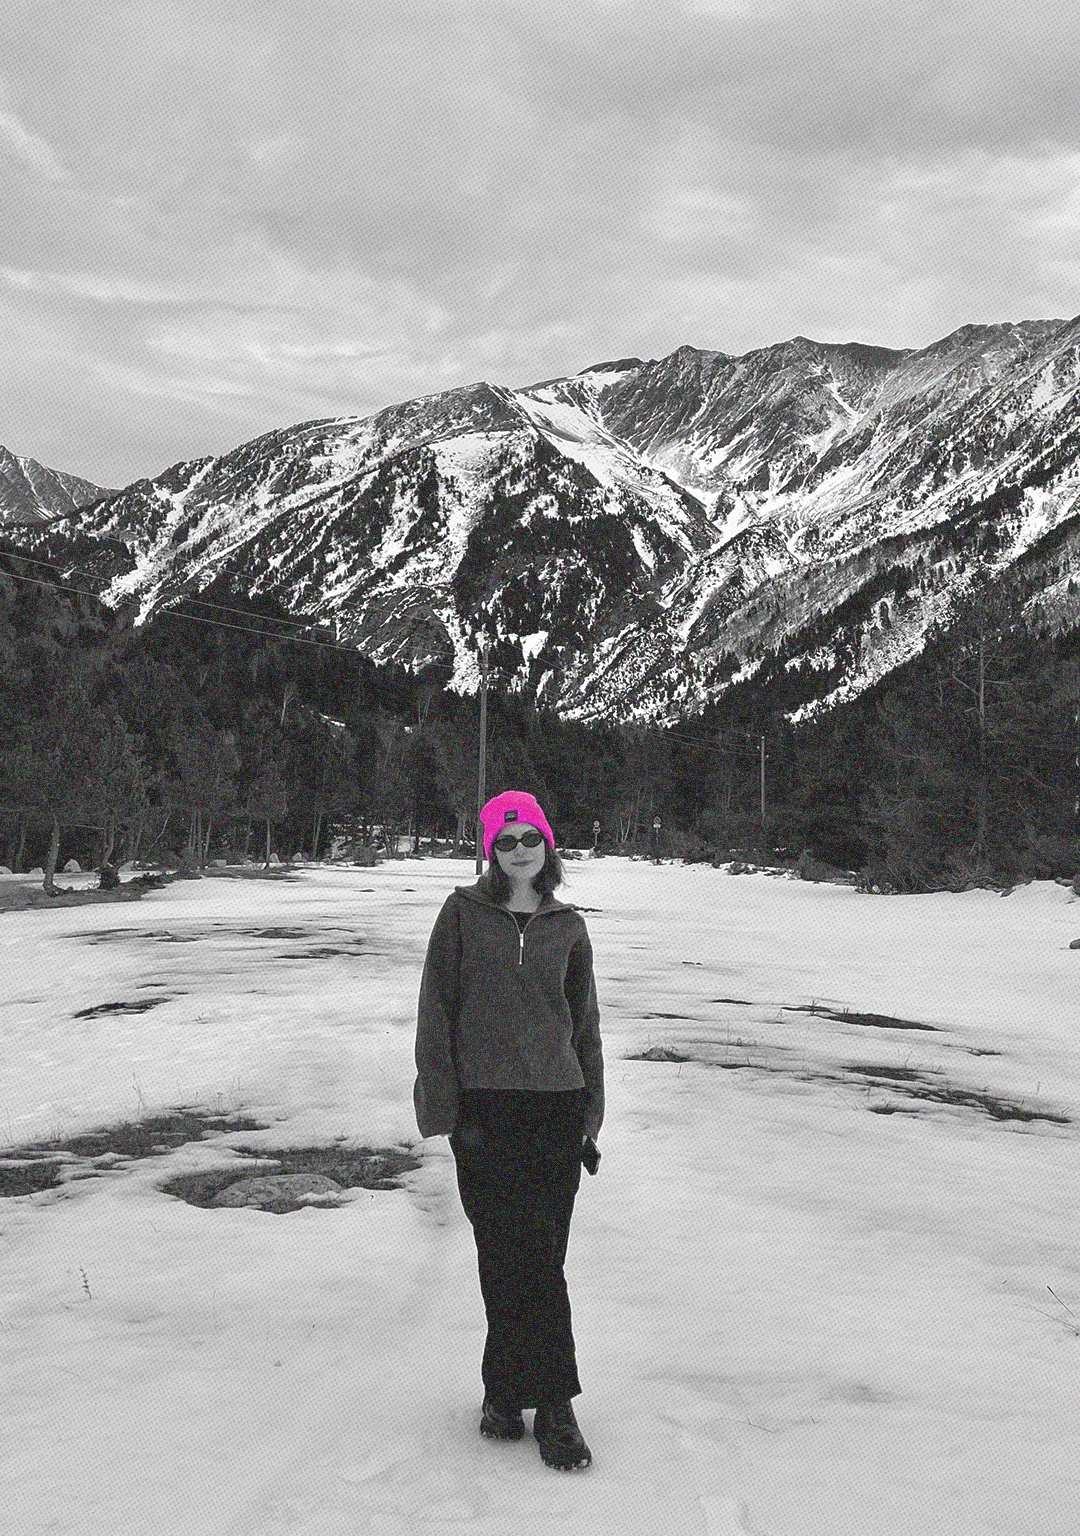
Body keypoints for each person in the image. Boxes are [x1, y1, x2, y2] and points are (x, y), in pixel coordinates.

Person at [413, 789, 605, 1471]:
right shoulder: (463, 915)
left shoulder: (568, 926)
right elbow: (435, 1011)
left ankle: (529, 1400)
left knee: (542, 1258)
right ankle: (530, 1397)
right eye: (506, 839)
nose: (520, 849)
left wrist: (590, 1114)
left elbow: (584, 1026)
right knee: (504, 1254)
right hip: (486, 1112)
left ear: (548, 844)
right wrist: (443, 1109)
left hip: (556, 1106)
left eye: (530, 837)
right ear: (490, 849)